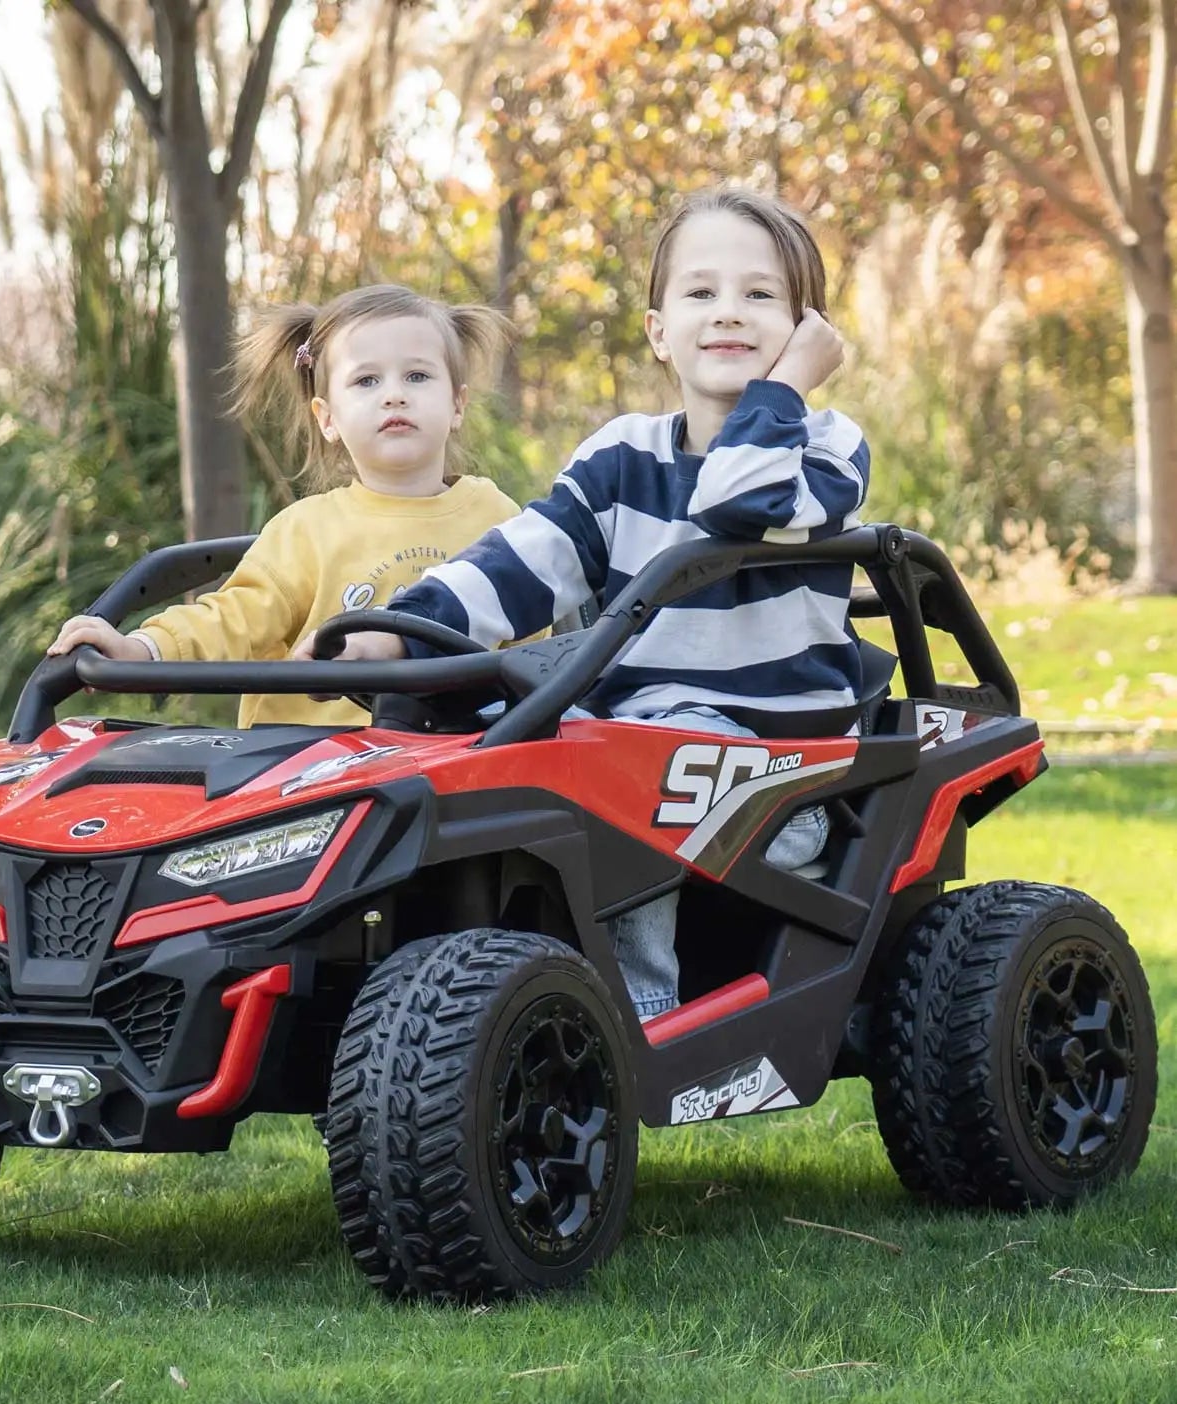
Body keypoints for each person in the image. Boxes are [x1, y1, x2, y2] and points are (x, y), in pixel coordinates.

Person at [297, 187, 869, 1016]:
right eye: (700, 293)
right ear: (657, 331)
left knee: (633, 776)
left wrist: (785, 389)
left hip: (782, 781)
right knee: (482, 752)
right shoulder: (622, 455)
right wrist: (401, 635)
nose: (728, 314)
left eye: (762, 296)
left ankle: (631, 1017)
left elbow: (737, 502)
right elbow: (524, 560)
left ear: (806, 330)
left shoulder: (825, 445)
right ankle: (446, 1002)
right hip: (628, 749)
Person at [47, 284, 519, 728]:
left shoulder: (495, 517)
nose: (394, 393)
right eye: (366, 380)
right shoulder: (307, 531)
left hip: (463, 760)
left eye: (417, 375)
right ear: (327, 417)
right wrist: (142, 648)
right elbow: (233, 620)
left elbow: (534, 647)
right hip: (315, 777)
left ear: (458, 405)